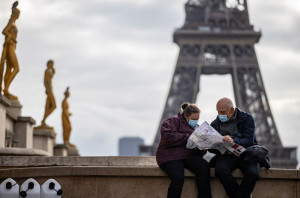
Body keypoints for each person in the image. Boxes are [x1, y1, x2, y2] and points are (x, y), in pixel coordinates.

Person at [156, 102, 212, 198]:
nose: (195, 122)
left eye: (197, 119)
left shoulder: (197, 128)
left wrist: (203, 146)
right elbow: (168, 137)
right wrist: (189, 137)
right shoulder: (172, 121)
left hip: (187, 156)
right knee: (178, 177)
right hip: (170, 157)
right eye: (193, 119)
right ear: (186, 115)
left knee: (204, 168)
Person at [210, 97, 259, 198]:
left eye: (223, 112)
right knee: (220, 170)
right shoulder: (215, 124)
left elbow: (249, 140)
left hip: (245, 154)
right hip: (227, 155)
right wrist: (208, 145)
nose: (220, 115)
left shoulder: (247, 118)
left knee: (253, 173)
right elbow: (213, 150)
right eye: (218, 112)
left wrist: (233, 140)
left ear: (232, 110)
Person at [0, 1, 20, 101]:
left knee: (9, 69)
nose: (18, 16)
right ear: (15, 14)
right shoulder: (11, 22)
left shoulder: (13, 22)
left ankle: (6, 90)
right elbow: (4, 31)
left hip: (12, 47)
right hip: (10, 47)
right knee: (17, 68)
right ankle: (6, 89)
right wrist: (12, 38)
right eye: (18, 14)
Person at [41, 60, 56, 126]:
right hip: (49, 90)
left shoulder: (49, 71)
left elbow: (52, 76)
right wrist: (47, 89)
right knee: (53, 106)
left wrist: (53, 70)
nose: (52, 65)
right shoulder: (46, 71)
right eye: (51, 64)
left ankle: (44, 120)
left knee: (48, 106)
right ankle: (44, 119)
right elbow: (45, 81)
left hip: (50, 89)